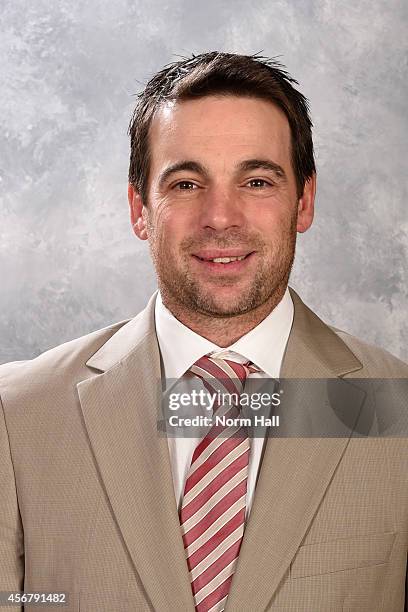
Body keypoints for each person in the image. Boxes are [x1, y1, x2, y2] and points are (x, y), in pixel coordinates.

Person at [0, 51, 407, 612]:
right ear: (140, 207)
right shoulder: (18, 414)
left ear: (304, 202)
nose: (221, 216)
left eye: (257, 180)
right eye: (188, 183)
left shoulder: (395, 408)